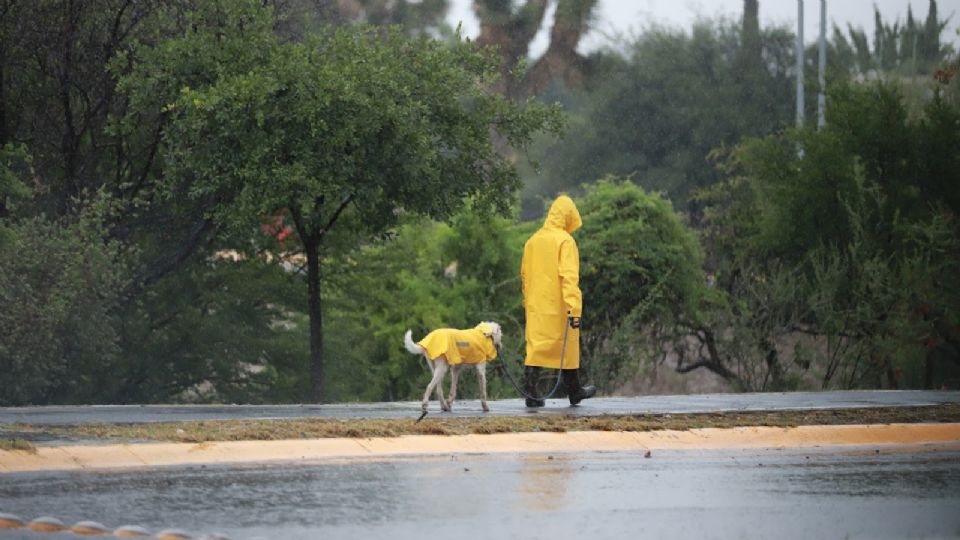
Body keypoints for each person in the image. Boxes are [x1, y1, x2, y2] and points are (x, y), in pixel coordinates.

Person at [520, 195, 596, 407]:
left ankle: (532, 394)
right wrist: (574, 308)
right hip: (561, 307)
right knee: (568, 347)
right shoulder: (565, 241)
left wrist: (528, 302)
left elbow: (524, 276)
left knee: (536, 348)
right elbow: (569, 277)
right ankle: (574, 391)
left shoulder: (532, 241)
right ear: (568, 217)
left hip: (536, 307)